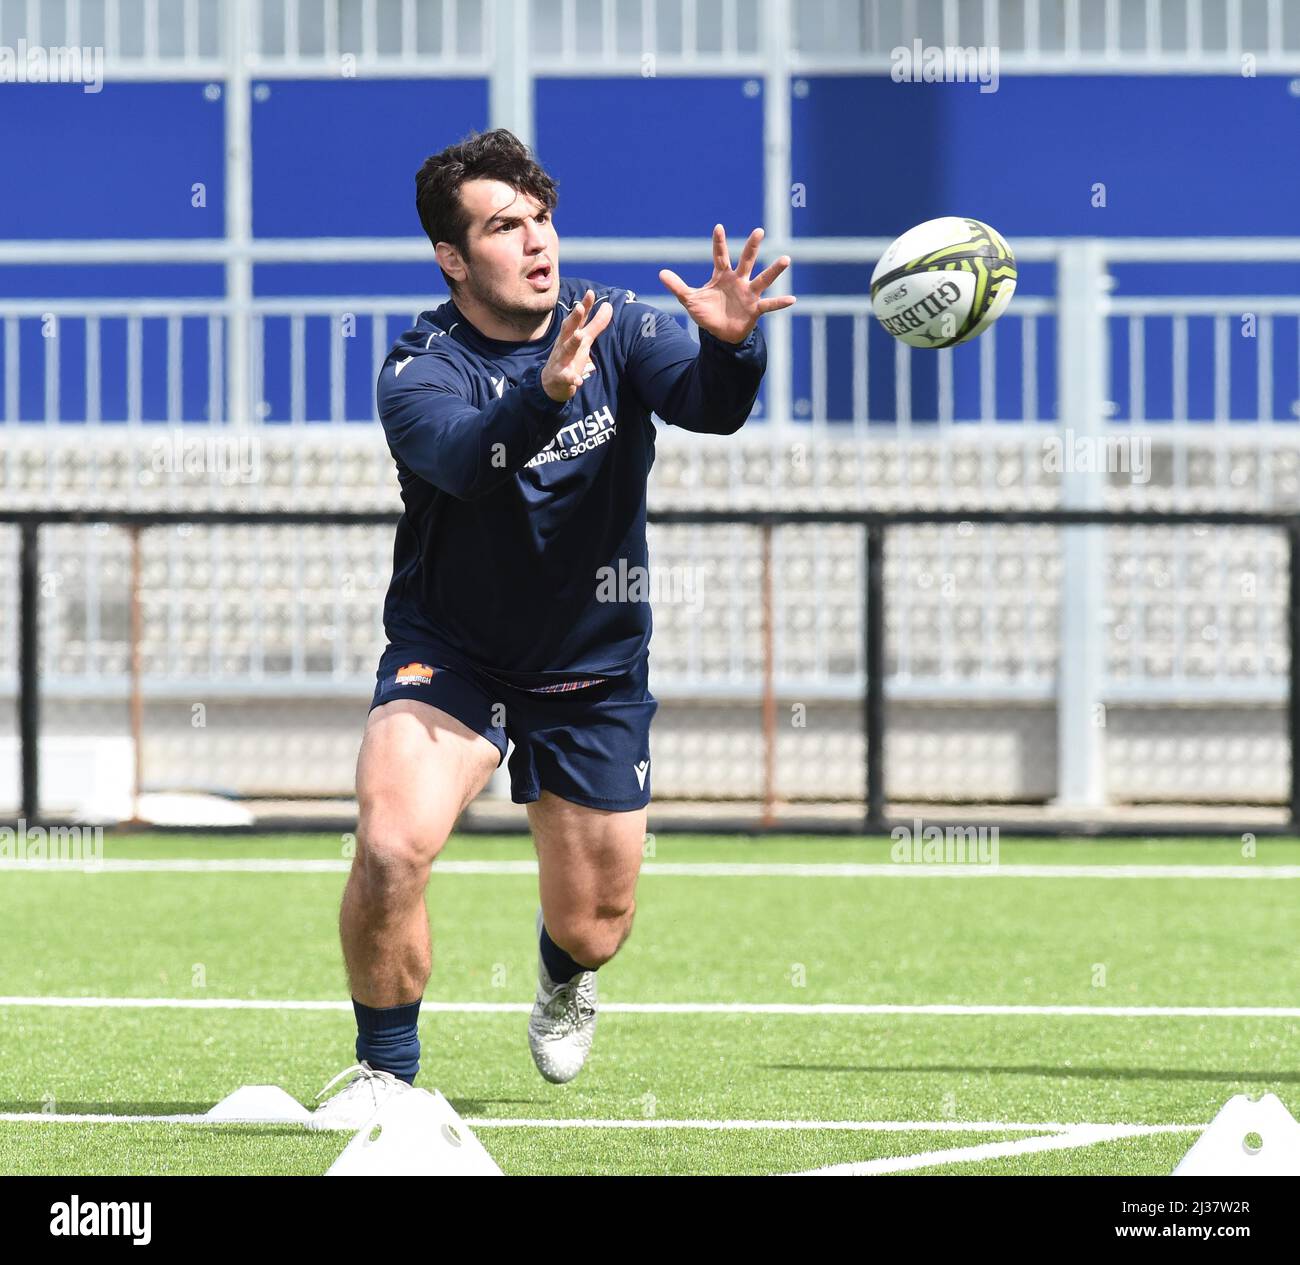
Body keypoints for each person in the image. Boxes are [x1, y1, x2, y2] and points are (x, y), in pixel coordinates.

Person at [309, 128, 795, 1127]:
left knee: (597, 922)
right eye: (502, 226)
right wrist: (546, 394)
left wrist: (731, 344)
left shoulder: (615, 326)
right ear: (452, 258)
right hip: (452, 651)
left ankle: (562, 973)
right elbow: (466, 461)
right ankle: (385, 1077)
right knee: (392, 846)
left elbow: (711, 407)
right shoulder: (417, 366)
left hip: (590, 662)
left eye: (540, 218)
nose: (535, 241)